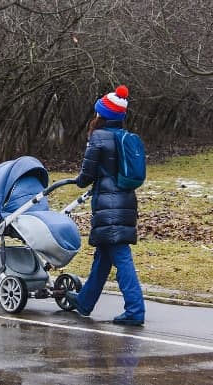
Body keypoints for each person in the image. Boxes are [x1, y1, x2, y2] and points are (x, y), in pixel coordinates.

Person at [65, 84, 146, 326]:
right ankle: (85, 302)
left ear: (104, 115)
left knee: (121, 257)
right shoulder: (124, 137)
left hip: (108, 206)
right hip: (125, 202)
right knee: (103, 256)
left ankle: (135, 310)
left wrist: (78, 181)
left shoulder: (98, 137)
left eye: (98, 111)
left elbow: (86, 176)